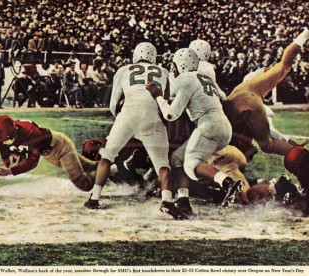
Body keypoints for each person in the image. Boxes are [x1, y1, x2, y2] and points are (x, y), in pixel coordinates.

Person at [84, 42, 188, 220]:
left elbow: (113, 103)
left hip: (128, 114)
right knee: (163, 164)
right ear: (154, 56)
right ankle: (167, 202)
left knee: (107, 156)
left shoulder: (124, 70)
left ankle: (94, 198)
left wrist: (122, 121)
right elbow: (166, 99)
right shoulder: (163, 71)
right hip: (152, 116)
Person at [146, 48, 245, 214]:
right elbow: (222, 96)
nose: (173, 69)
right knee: (177, 158)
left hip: (209, 125)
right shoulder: (201, 77)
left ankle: (227, 182)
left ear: (182, 65)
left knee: (191, 163)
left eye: (174, 66)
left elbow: (171, 114)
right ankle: (183, 200)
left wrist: (157, 95)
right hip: (222, 126)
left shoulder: (185, 78)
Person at [222, 28, 309, 213]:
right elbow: (286, 60)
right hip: (241, 119)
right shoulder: (255, 87)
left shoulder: (239, 89)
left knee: (259, 149)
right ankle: (301, 159)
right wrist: (305, 34)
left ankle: (301, 159)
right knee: (266, 145)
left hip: (228, 127)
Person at [0, 115, 98, 194]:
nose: (4, 143)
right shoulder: (1, 138)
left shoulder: (30, 131)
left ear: (14, 132)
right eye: (1, 141)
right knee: (88, 166)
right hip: (48, 154)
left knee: (83, 184)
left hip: (60, 146)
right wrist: (9, 162)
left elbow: (33, 162)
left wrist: (10, 171)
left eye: (6, 140)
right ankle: (108, 166)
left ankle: (110, 170)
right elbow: (5, 153)